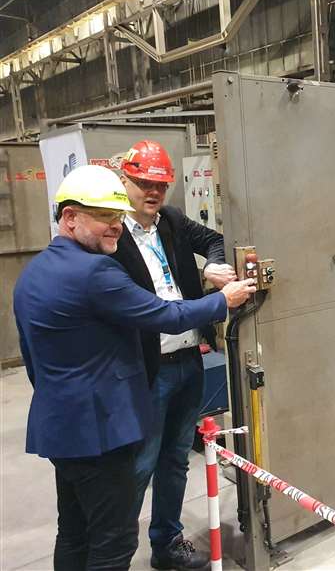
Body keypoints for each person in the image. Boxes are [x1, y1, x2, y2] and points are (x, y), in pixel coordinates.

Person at [13, 165, 255, 571]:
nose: (116, 227)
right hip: (100, 432)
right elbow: (162, 314)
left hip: (60, 427)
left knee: (73, 531)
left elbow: (33, 359)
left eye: (117, 216)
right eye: (105, 217)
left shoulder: (35, 271)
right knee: (113, 542)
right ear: (70, 217)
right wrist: (223, 300)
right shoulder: (94, 272)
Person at [111, 140, 235, 570]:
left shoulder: (173, 221)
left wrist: (210, 267)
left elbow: (215, 239)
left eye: (161, 185)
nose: (153, 192)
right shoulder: (112, 236)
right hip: (148, 369)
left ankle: (167, 542)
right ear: (124, 180)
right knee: (140, 464)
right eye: (144, 183)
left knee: (176, 459)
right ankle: (115, 555)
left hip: (188, 360)